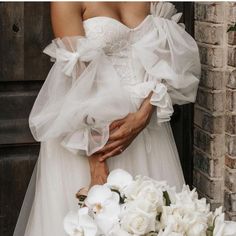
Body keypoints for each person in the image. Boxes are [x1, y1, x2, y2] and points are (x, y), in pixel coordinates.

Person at [13, 2, 201, 236]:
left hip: (146, 130)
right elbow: (73, 82)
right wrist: (96, 162)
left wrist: (144, 115)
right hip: (91, 137)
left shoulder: (153, 3)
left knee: (154, 219)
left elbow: (163, 60)